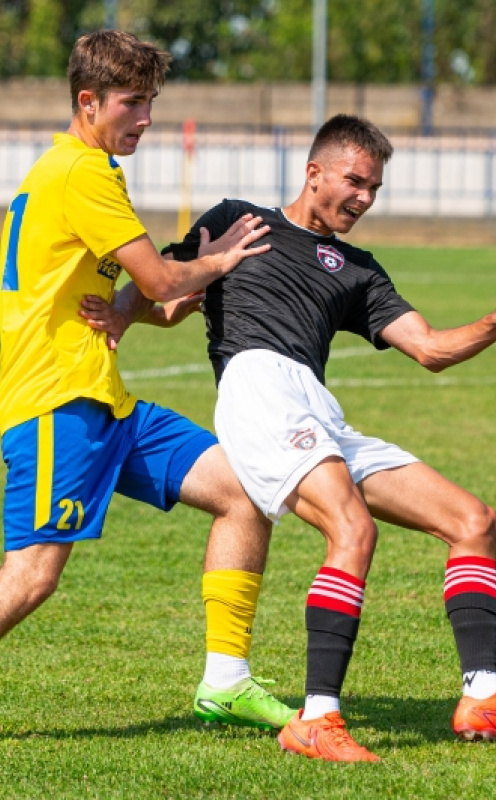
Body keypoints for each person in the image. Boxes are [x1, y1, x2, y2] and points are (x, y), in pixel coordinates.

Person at [153, 114, 496, 762]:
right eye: (355, 181)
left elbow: (431, 348)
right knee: (352, 530)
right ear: (313, 171)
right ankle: (317, 719)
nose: (364, 197)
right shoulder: (239, 219)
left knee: (473, 520)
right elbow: (162, 294)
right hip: (257, 386)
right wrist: (159, 291)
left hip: (318, 408)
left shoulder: (358, 269)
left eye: (374, 187)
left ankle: (484, 698)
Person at [0, 30, 297, 733]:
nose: (146, 119)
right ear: (88, 101)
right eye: (133, 102)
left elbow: (154, 302)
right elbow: (164, 280)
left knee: (244, 492)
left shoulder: (83, 169)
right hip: (55, 403)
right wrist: (217, 261)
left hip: (104, 397)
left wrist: (160, 298)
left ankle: (225, 683)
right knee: (34, 574)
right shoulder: (81, 172)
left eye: (152, 103)